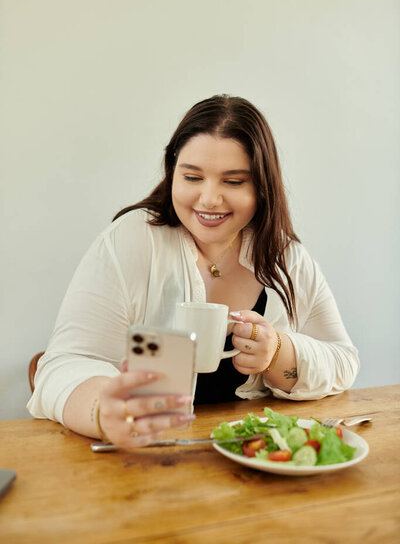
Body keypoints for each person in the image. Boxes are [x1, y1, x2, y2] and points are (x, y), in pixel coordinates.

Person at [27, 94, 359, 450]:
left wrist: (278, 352)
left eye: (233, 182)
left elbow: (343, 361)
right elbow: (63, 364)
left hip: (252, 467)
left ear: (262, 187)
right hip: (143, 463)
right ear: (173, 172)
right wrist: (102, 409)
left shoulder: (286, 258)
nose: (209, 199)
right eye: (192, 177)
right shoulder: (132, 241)